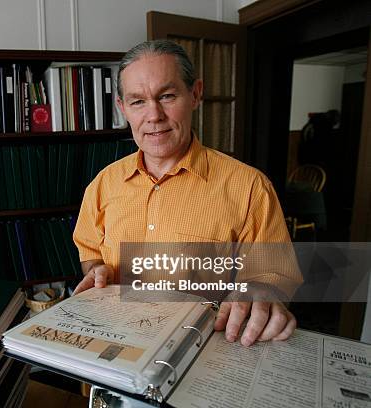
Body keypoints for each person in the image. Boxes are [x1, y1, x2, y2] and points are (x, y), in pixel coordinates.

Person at [72, 39, 303, 346]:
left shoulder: (249, 188)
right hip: (115, 347)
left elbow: (275, 279)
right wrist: (98, 270)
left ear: (195, 94)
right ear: (123, 108)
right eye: (138, 101)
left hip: (206, 355)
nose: (154, 115)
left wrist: (264, 293)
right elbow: (90, 254)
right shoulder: (102, 185)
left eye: (167, 96)